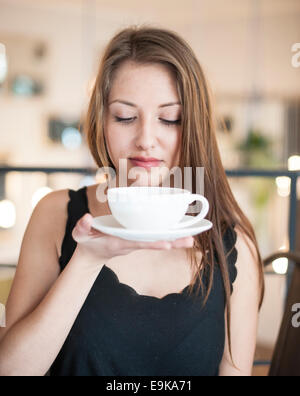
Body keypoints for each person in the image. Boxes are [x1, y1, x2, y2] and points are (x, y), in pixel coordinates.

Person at [0, 26, 264, 376]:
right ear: (102, 121)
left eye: (170, 119)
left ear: (194, 125)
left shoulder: (233, 246)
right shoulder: (55, 214)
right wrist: (86, 262)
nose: (146, 140)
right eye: (125, 117)